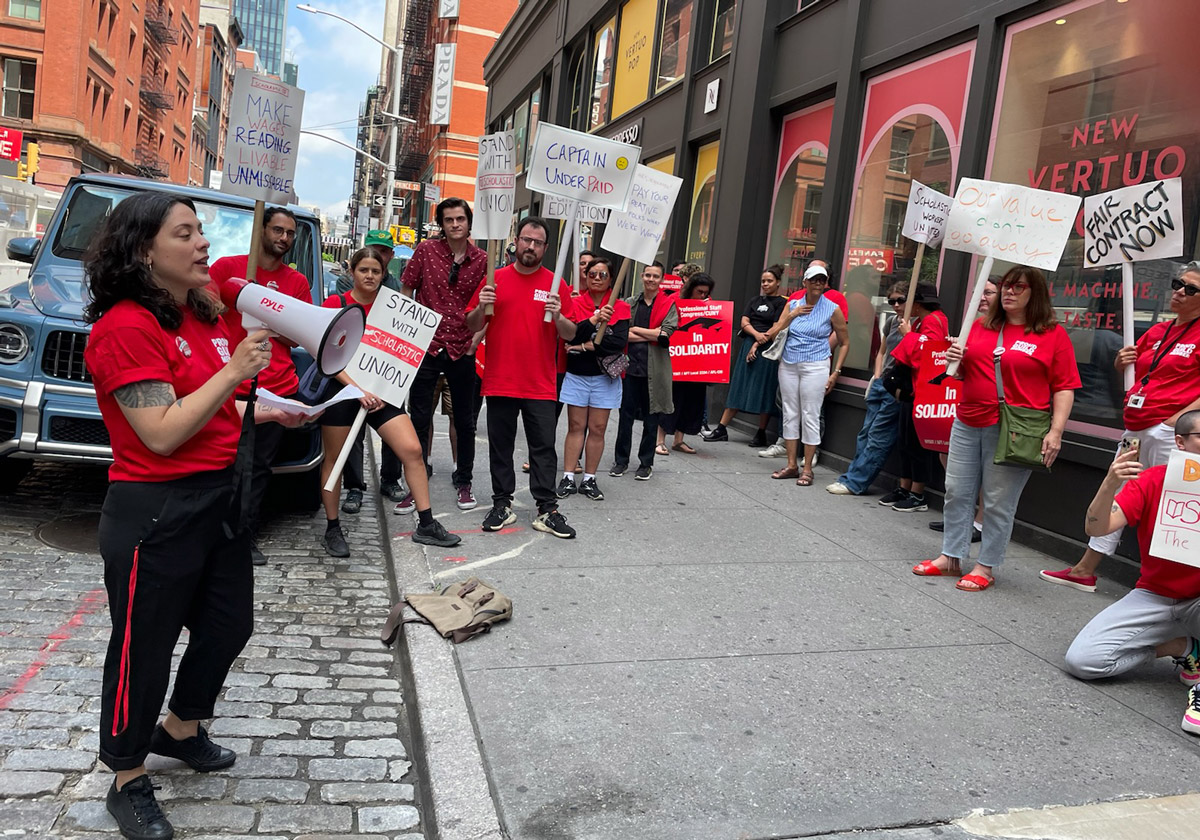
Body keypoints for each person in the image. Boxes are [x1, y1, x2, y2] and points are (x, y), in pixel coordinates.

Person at [82, 193, 301, 839]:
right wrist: (236, 370)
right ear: (145, 251)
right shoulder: (126, 328)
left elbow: (206, 406)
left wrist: (267, 409)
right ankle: (126, 773)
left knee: (231, 624)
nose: (203, 242)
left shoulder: (197, 316)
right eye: (186, 233)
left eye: (201, 231)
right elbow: (159, 431)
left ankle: (180, 725)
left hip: (216, 498)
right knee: (141, 649)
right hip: (157, 510)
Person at [913, 266, 1080, 591]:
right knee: (957, 492)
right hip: (967, 420)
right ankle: (951, 557)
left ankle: (986, 566)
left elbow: (1065, 386)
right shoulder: (980, 326)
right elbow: (964, 373)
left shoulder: (1051, 334)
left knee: (997, 501)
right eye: (1006, 286)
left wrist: (1056, 431)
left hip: (1015, 429)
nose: (1008, 292)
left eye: (1018, 287)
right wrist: (955, 363)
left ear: (1036, 294)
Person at [1043, 262, 1200, 592]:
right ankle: (1085, 569)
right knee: (1118, 492)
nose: (1179, 292)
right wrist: (1121, 366)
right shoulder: (1158, 331)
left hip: (1169, 433)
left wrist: (1177, 421)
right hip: (1137, 426)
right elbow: (1140, 375)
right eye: (1177, 283)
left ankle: (1161, 587)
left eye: (1191, 288)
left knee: (1166, 505)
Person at [466, 217, 609, 538]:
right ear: (516, 240)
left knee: (543, 448)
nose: (530, 246)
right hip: (501, 379)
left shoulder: (556, 284)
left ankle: (547, 508)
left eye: (538, 242)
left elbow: (571, 334)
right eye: (526, 239)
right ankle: (502, 503)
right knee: (500, 446)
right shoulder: (495, 278)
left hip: (541, 383)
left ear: (546, 248)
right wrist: (482, 306)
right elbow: (473, 324)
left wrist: (558, 315)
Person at [1062, 410, 1200, 735]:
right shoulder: (1153, 480)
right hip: (1154, 594)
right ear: (1180, 442)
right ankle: (1181, 647)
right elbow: (1097, 525)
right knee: (1084, 661)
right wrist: (1111, 481)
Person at [318, 248, 460, 556]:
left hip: (382, 394)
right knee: (335, 459)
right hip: (343, 392)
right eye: (364, 270)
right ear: (351, 272)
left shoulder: (393, 308)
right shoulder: (336, 304)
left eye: (376, 271)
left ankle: (426, 523)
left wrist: (385, 387)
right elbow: (326, 355)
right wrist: (357, 390)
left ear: (384, 275)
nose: (369, 276)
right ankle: (332, 527)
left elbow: (402, 354)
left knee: (411, 449)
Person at [206, 207, 311, 566]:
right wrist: (236, 299)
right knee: (222, 462)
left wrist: (264, 313)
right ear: (261, 229)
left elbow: (302, 334)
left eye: (290, 234)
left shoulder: (296, 283)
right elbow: (205, 312)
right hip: (230, 384)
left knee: (258, 466)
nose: (283, 238)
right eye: (277, 230)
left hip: (276, 386)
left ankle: (244, 535)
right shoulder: (226, 268)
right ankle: (212, 532)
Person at [401, 198, 486, 512]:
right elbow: (407, 289)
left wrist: (476, 341)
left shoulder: (482, 260)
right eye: (449, 220)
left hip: (462, 348)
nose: (455, 225)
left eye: (460, 219)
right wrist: (409, 331)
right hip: (426, 346)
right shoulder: (426, 251)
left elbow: (487, 309)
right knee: (419, 420)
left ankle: (463, 480)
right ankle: (416, 482)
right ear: (442, 224)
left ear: (468, 222)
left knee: (465, 421)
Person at [764, 262, 849, 486]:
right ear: (805, 282)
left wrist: (836, 372)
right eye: (814, 279)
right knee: (790, 413)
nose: (818, 283)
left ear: (826, 283)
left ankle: (807, 468)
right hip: (789, 363)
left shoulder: (832, 308)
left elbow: (845, 342)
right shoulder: (792, 304)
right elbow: (773, 334)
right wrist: (791, 316)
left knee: (810, 414)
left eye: (822, 279)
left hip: (816, 364)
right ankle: (792, 465)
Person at [338, 229, 405, 507]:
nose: (370, 273)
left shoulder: (396, 286)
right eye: (364, 267)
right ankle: (354, 486)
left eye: (384, 252)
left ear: (390, 256)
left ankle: (390, 479)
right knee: (350, 434)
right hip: (351, 371)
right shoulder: (344, 286)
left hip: (385, 372)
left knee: (395, 431)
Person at [556, 256, 631, 501]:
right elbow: (570, 336)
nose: (597, 279)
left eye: (603, 275)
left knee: (598, 428)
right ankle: (568, 476)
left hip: (605, 378)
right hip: (578, 375)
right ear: (585, 277)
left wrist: (583, 347)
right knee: (576, 427)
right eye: (592, 274)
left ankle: (589, 479)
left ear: (611, 279)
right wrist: (592, 321)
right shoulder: (576, 304)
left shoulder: (620, 307)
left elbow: (617, 343)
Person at [825, 281, 909, 495]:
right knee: (865, 434)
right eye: (892, 301)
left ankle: (856, 482)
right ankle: (852, 476)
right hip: (883, 383)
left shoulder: (913, 325)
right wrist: (878, 375)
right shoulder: (891, 321)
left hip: (897, 387)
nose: (897, 305)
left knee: (879, 436)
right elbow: (881, 351)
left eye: (901, 300)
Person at [875, 284, 949, 512]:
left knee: (917, 444)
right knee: (905, 441)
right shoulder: (920, 321)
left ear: (918, 302)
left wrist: (909, 336)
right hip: (912, 388)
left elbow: (931, 354)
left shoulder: (934, 320)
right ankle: (904, 486)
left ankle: (918, 493)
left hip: (923, 390)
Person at [703, 265, 786, 447]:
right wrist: (755, 336)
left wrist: (758, 342)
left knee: (764, 388)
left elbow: (777, 326)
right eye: (763, 281)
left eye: (769, 281)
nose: (765, 284)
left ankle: (761, 433)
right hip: (749, 343)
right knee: (739, 385)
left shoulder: (782, 303)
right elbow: (744, 321)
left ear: (778, 282)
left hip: (768, 348)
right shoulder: (754, 300)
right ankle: (721, 428)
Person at [610, 262, 679, 480]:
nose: (651, 279)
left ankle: (645, 464)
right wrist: (651, 333)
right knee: (625, 418)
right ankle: (621, 461)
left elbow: (665, 335)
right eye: (647, 275)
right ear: (642, 276)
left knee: (651, 420)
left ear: (661, 279)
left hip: (654, 372)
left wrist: (636, 330)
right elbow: (622, 334)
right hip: (630, 369)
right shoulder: (630, 303)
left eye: (655, 276)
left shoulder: (668, 305)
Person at [657, 273, 715, 455]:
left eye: (706, 293)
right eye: (699, 292)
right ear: (690, 289)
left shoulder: (708, 305)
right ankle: (659, 440)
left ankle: (679, 440)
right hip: (677, 358)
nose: (702, 296)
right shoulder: (674, 300)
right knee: (672, 399)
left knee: (691, 401)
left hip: (696, 360)